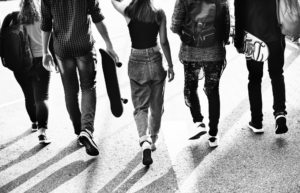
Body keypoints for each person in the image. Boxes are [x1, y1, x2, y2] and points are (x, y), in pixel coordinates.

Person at [41, 0, 119, 156]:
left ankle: (79, 130)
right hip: (84, 46)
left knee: (70, 92)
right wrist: (109, 44)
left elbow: (46, 23)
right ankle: (86, 130)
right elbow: (97, 16)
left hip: (62, 49)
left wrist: (45, 52)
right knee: (88, 86)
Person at [111, 0, 175, 166]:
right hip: (155, 60)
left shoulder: (129, 11)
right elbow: (164, 42)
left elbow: (114, 2)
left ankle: (144, 140)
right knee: (157, 104)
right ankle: (153, 140)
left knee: (140, 107)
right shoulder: (159, 13)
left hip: (136, 60)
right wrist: (170, 65)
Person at [171, 0, 230, 147]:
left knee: (191, 87)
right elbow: (226, 25)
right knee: (213, 90)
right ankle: (213, 134)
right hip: (214, 52)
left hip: (191, 52)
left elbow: (174, 25)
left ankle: (198, 122)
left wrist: (190, 36)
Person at [1, 0, 52, 144]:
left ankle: (34, 122)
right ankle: (42, 132)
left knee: (28, 95)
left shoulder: (11, 17)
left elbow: (2, 41)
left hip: (21, 63)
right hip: (41, 61)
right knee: (42, 97)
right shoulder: (43, 17)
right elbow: (52, 39)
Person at [234, 0, 288, 134]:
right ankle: (280, 112)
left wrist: (238, 41)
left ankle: (257, 121)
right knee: (276, 74)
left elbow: (239, 14)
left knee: (255, 79)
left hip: (253, 38)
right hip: (275, 34)